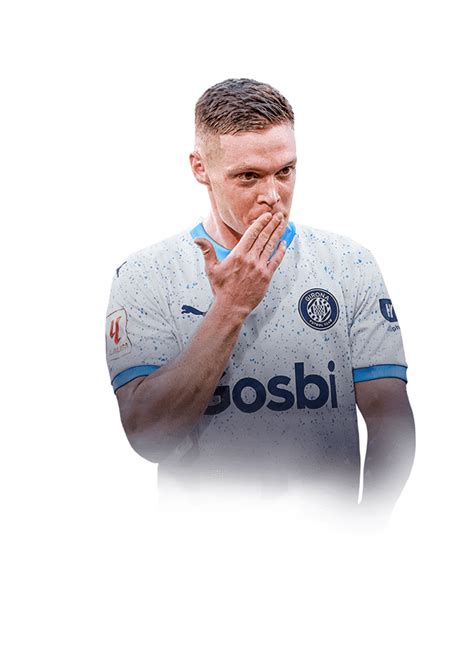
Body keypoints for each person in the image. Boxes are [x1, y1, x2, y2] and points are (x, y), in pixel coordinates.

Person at [105, 78, 415, 522]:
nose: (272, 196)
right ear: (200, 168)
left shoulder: (349, 263)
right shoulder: (147, 275)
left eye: (285, 171)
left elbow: (389, 416)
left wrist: (369, 526)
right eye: (248, 176)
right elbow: (148, 435)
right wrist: (231, 307)